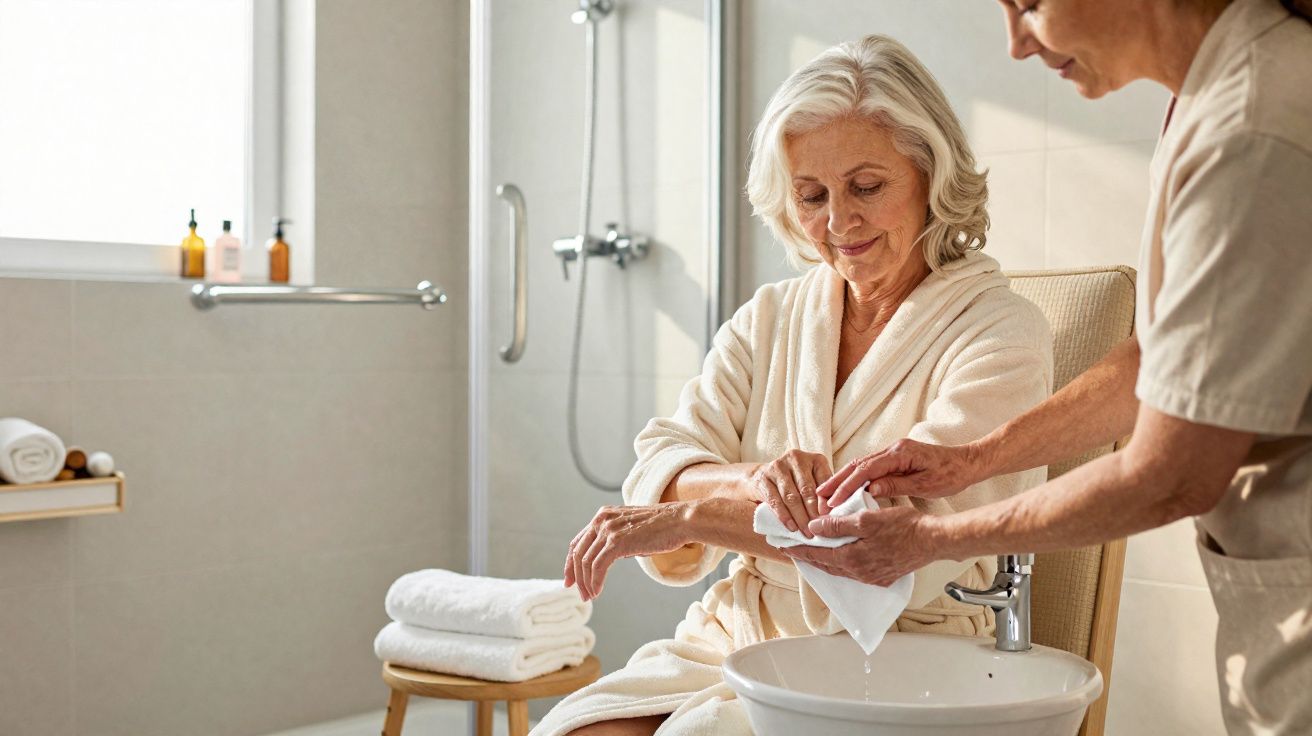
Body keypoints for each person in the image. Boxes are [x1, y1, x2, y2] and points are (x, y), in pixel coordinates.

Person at [786, 2, 1312, 733]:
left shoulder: (1250, 127)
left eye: (1030, 3)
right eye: (811, 195)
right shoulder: (1212, 95)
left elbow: (1173, 474)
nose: (1015, 43)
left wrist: (934, 539)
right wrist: (972, 460)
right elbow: (1166, 352)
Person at [531, 35, 1053, 736]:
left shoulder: (1000, 332)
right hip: (739, 636)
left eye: (867, 187)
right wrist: (750, 481)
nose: (839, 223)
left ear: (931, 175)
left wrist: (691, 517)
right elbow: (667, 454)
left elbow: (890, 538)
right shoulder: (774, 317)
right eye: (812, 195)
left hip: (906, 655)